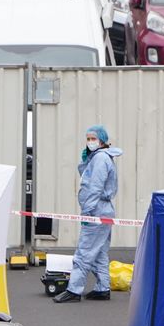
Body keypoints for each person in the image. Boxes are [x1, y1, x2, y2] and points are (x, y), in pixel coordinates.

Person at [53, 125, 123, 303]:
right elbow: (88, 176)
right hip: (102, 211)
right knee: (99, 252)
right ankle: (102, 288)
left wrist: (87, 213)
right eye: (88, 138)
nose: (90, 141)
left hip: (96, 210)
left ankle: (74, 290)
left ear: (102, 140)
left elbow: (94, 187)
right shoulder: (99, 157)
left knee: (84, 252)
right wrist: (85, 160)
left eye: (93, 139)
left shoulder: (100, 159)